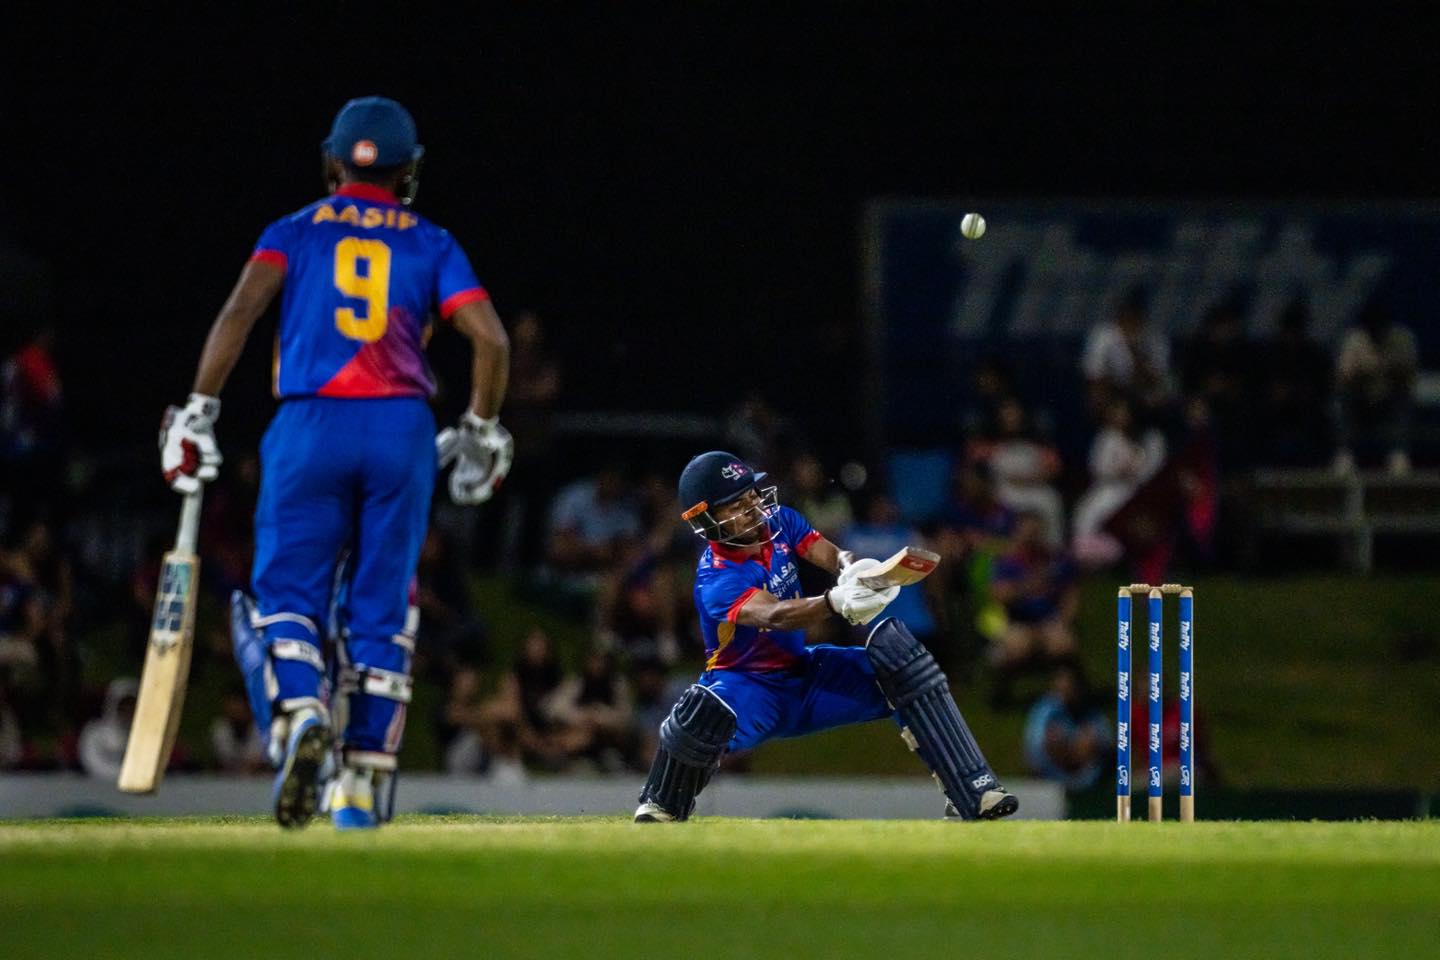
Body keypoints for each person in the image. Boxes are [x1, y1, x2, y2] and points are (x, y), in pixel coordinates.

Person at [160, 97, 512, 830]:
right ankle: (355, 796)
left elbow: (239, 314)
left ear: (331, 160)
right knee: (383, 607)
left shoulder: (292, 232)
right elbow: (493, 341)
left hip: (310, 422)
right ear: (408, 168)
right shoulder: (431, 240)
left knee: (287, 590)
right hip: (400, 430)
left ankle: (300, 714)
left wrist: (197, 410)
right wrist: (480, 426)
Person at [633, 451, 1018, 822]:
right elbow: (776, 615)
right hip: (747, 689)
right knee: (702, 711)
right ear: (707, 519)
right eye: (734, 505)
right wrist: (835, 602)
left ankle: (974, 790)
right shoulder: (717, 577)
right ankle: (660, 804)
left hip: (803, 676)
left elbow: (827, 552)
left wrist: (855, 570)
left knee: (901, 665)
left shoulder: (779, 521)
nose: (751, 507)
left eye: (750, 494)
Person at [1334, 301, 1418, 475]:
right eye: (1372, 325)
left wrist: (1391, 372)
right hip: (1362, 401)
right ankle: (1345, 454)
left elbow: (1409, 376)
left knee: (1402, 399)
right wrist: (1363, 375)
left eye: (1380, 324)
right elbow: (1343, 377)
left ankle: (1398, 454)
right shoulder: (1355, 340)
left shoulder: (1402, 338)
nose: (1376, 329)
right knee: (1343, 400)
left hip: (1389, 400)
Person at [1022, 661, 1110, 791]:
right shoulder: (1044, 710)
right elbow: (1034, 749)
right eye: (1061, 684)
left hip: (1088, 777)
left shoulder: (1089, 709)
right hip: (1051, 776)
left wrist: (1084, 745)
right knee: (1054, 737)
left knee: (1087, 738)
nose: (1066, 689)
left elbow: (1106, 742)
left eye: (1070, 684)